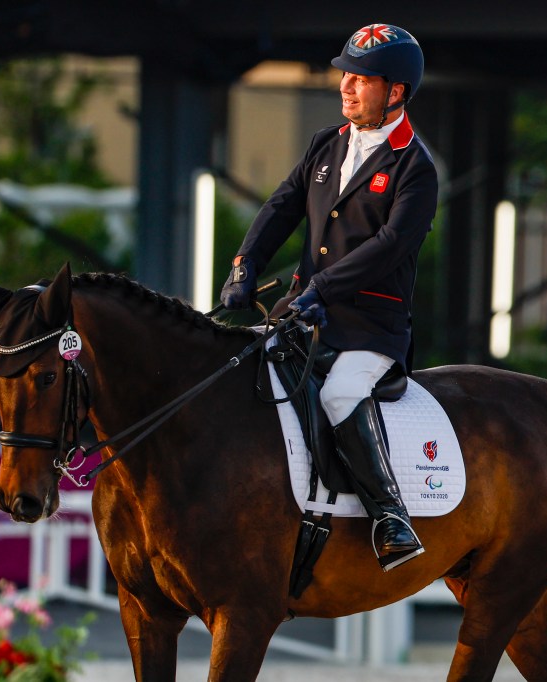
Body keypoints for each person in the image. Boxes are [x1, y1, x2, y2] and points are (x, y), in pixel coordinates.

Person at [219, 23, 437, 572]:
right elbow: (280, 208)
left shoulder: (415, 167)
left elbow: (389, 248)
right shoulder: (327, 142)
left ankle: (391, 516)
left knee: (339, 394)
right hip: (302, 314)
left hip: (369, 328)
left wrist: (322, 288)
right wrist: (244, 268)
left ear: (395, 92)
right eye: (346, 74)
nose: (346, 86)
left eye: (361, 79)